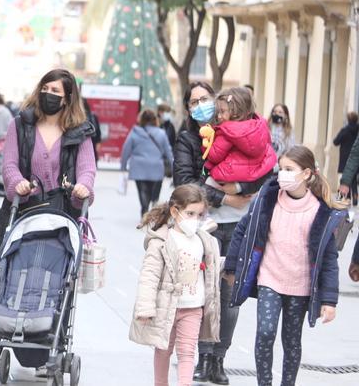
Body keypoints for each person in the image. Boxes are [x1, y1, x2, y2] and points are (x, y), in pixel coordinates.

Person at [223, 146, 345, 386]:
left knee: (291, 341)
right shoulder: (266, 201)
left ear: (307, 174)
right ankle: (264, 383)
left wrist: (329, 301)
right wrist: (232, 267)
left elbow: (329, 259)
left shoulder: (320, 212)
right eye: (281, 169)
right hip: (270, 279)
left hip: (300, 286)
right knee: (265, 333)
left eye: (290, 169)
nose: (282, 175)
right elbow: (242, 230)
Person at [172, 81, 268, 385]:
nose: (201, 105)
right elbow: (184, 183)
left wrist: (242, 189)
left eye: (205, 98)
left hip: (240, 225)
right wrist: (226, 198)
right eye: (193, 101)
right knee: (202, 295)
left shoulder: (238, 129)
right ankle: (202, 356)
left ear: (217, 100)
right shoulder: (188, 139)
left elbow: (264, 166)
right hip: (204, 227)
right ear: (187, 108)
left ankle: (219, 359)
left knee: (230, 296)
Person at [0, 69, 96, 260]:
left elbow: (87, 169)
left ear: (67, 98)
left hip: (63, 216)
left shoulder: (80, 132)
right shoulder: (19, 125)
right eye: (45, 88)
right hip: (24, 212)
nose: (48, 94)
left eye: (55, 91)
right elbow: (9, 164)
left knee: (58, 274)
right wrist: (17, 182)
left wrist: (83, 187)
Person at [130, 184, 221, 386]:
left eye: (199, 215)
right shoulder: (161, 240)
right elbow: (149, 275)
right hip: (167, 306)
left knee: (188, 352)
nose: (194, 219)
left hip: (193, 307)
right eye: (190, 213)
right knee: (163, 350)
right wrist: (146, 307)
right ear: (175, 211)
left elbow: (210, 270)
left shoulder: (204, 241)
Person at [201, 87, 278, 187]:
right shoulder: (259, 126)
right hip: (253, 175)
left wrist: (206, 140)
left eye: (222, 111)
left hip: (228, 175)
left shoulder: (227, 131)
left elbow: (214, 156)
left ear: (236, 112)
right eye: (218, 112)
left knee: (206, 179)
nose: (219, 116)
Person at [123, 109, 174, 217]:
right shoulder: (161, 133)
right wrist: (174, 168)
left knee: (142, 189)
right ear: (155, 120)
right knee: (154, 192)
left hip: (138, 167)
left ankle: (144, 209)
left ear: (141, 119)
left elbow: (126, 150)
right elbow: (168, 152)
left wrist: (123, 167)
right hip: (156, 167)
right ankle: (153, 209)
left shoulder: (134, 132)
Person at [332, 111, 359, 178]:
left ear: (348, 120)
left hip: (346, 159)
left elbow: (336, 142)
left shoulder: (345, 130)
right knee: (354, 181)